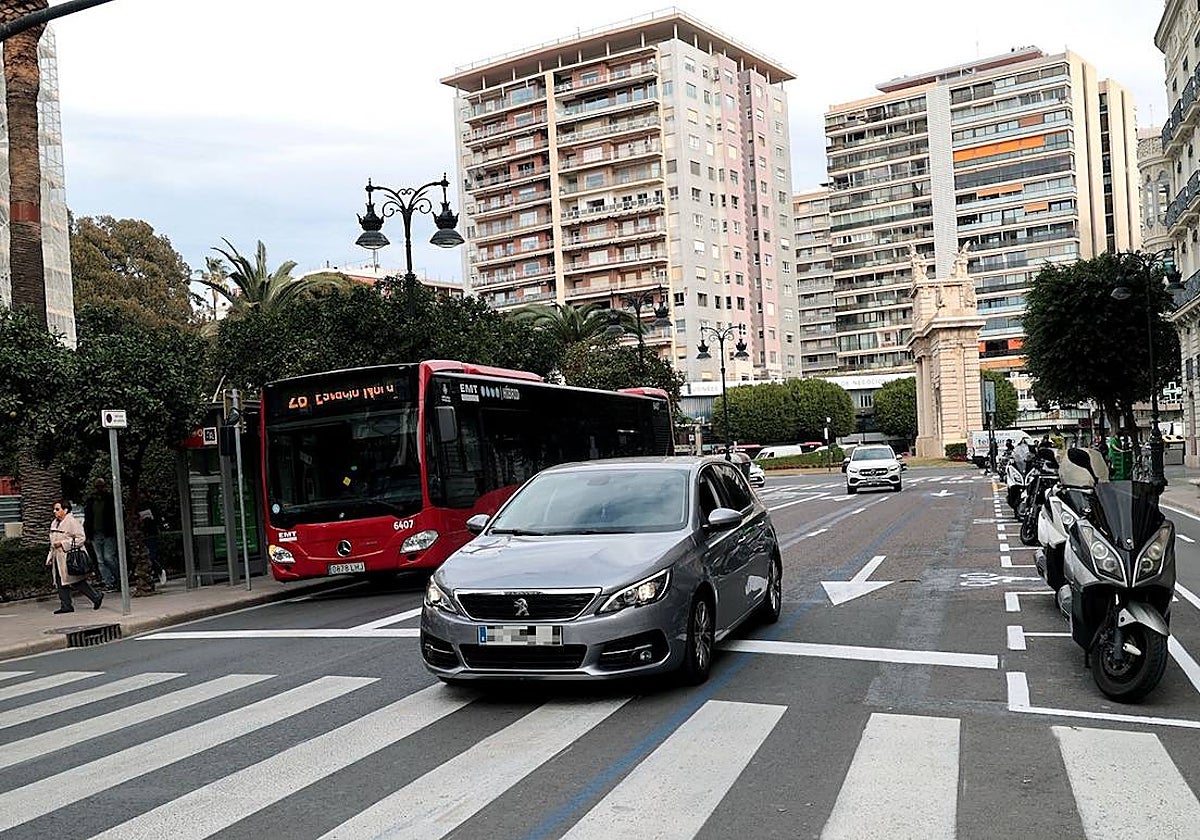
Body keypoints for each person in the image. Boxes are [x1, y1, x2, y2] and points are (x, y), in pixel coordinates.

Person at [47, 498, 103, 614]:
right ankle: (66, 605)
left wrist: (63, 544)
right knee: (60, 580)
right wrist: (50, 557)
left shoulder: (72, 522)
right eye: (54, 509)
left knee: (76, 580)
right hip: (58, 557)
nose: (55, 512)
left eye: (57, 509)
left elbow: (81, 538)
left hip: (69, 556)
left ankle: (96, 596)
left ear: (65, 510)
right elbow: (52, 543)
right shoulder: (55, 523)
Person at [85, 478, 118, 591]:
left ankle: (118, 578)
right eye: (97, 486)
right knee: (100, 560)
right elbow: (88, 518)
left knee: (108, 557)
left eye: (101, 486)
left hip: (108, 532)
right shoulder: (91, 501)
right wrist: (88, 534)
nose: (99, 489)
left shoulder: (109, 499)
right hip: (95, 533)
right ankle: (109, 582)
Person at [139, 502, 167, 586]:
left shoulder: (152, 505)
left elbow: (158, 518)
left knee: (151, 555)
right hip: (142, 534)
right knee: (145, 556)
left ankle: (159, 570)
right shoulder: (137, 507)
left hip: (151, 533)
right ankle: (151, 575)